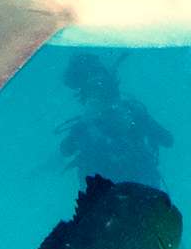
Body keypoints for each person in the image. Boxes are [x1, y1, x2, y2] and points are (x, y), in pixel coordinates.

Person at [55, 53, 175, 188]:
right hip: (133, 193)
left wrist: (138, 122)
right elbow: (167, 140)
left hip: (120, 194)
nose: (101, 100)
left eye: (103, 91)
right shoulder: (84, 127)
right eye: (95, 94)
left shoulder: (133, 113)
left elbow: (167, 140)